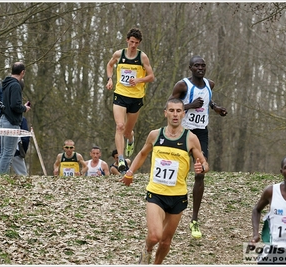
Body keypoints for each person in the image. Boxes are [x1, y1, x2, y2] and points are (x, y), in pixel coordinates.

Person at [121, 98, 209, 264]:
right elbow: (142, 154)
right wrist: (130, 172)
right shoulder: (155, 135)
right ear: (165, 113)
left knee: (166, 241)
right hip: (156, 193)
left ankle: (156, 264)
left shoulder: (191, 138)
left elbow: (204, 163)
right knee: (155, 236)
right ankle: (146, 250)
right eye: (171, 110)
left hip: (178, 196)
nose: (175, 114)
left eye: (178, 111)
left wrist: (202, 168)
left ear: (183, 114)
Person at [168, 55, 227, 239]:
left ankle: (194, 219)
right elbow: (169, 106)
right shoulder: (182, 86)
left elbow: (207, 100)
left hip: (201, 133)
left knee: (200, 173)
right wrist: (189, 106)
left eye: (203, 65)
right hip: (183, 132)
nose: (200, 68)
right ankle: (169, 212)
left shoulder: (210, 84)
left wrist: (216, 108)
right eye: (196, 66)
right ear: (190, 68)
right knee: (178, 173)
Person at [106, 28, 155, 172]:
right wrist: (110, 79)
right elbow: (110, 65)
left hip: (136, 98)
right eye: (131, 42)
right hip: (120, 95)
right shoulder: (118, 54)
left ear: (139, 43)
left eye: (136, 43)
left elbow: (151, 77)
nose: (133, 45)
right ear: (127, 40)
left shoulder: (142, 57)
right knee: (120, 126)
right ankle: (121, 159)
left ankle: (131, 138)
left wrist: (139, 80)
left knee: (127, 131)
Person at [0, 62, 30, 175]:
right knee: (8, 153)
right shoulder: (15, 85)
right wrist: (24, 108)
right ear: (22, 72)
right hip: (11, 122)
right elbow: (15, 105)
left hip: (4, 119)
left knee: (4, 152)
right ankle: (0, 178)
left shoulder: (6, 83)